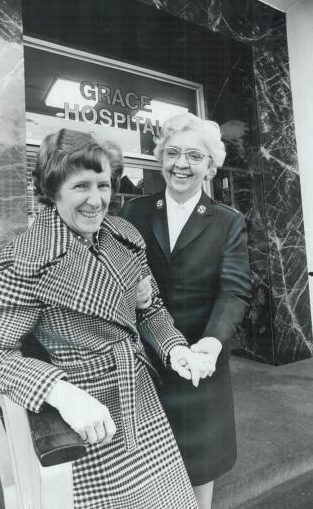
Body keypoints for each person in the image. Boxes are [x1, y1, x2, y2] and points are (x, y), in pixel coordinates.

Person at [0, 128, 212, 508]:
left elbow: (150, 309)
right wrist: (61, 392)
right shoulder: (25, 261)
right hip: (87, 424)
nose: (97, 200)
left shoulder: (123, 236)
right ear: (52, 190)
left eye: (104, 185)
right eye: (81, 187)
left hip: (142, 405)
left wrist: (175, 349)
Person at [120, 113, 252, 509]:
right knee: (144, 467)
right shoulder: (133, 213)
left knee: (199, 465)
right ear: (160, 158)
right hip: (145, 360)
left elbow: (233, 291)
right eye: (173, 152)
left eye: (194, 156)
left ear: (211, 165)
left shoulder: (228, 222)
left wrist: (211, 343)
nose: (181, 164)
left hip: (200, 361)